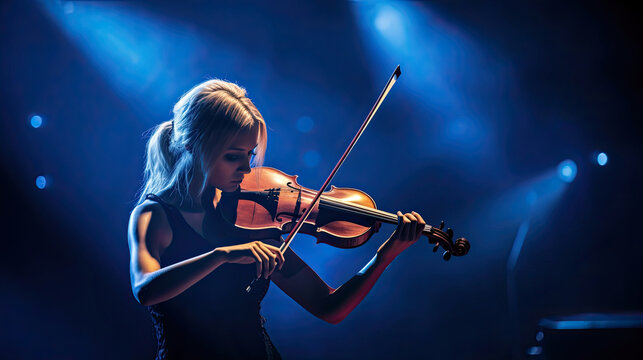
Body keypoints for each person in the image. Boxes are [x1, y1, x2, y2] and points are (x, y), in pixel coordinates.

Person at [128, 79, 426, 359]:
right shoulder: (155, 215)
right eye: (233, 156)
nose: (247, 168)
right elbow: (145, 289)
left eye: (250, 154)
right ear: (195, 146)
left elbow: (329, 307)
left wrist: (384, 256)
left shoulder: (254, 219)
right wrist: (222, 255)